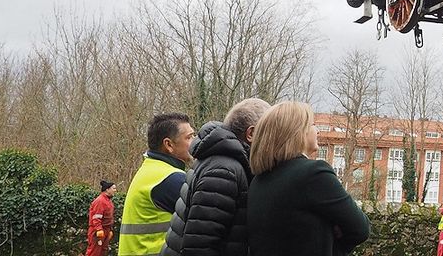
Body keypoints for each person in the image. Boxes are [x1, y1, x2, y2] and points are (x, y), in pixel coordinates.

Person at [247, 102, 370, 256]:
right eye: (313, 124)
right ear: (297, 132)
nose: (317, 131)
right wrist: (331, 241)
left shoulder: (258, 181)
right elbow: (360, 228)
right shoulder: (313, 174)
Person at [161, 98, 270, 256]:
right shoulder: (223, 171)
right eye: (270, 131)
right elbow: (199, 247)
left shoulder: (221, 160)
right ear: (251, 133)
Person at [120, 112, 196, 256]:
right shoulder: (170, 178)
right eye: (189, 137)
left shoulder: (151, 170)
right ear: (168, 144)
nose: (195, 141)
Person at [85, 180, 117, 256]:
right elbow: (96, 217)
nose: (115, 190)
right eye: (113, 188)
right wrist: (99, 229)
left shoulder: (108, 201)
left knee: (103, 251)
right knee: (94, 252)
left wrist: (110, 229)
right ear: (107, 189)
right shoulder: (100, 201)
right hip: (98, 231)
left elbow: (109, 217)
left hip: (105, 230)